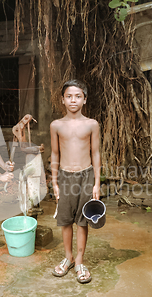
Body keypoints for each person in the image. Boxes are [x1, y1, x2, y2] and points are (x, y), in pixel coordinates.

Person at [50, 79, 101, 284]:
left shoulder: (92, 124)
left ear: (85, 100)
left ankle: (79, 260)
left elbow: (96, 153)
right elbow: (54, 154)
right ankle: (68, 257)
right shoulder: (56, 125)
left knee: (82, 220)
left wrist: (97, 182)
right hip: (65, 176)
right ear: (62, 100)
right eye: (69, 96)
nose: (73, 100)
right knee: (65, 220)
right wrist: (54, 182)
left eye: (78, 96)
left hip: (86, 175)